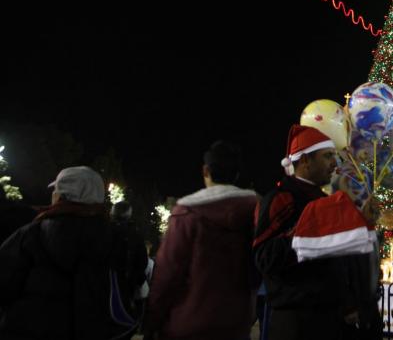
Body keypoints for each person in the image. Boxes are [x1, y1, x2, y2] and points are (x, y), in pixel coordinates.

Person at [254, 125, 378, 340]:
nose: (335, 163)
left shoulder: (323, 201)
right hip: (297, 323)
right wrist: (305, 235)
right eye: (327, 156)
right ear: (304, 161)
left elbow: (338, 260)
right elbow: (264, 257)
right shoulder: (282, 199)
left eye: (335, 156)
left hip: (331, 320)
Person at [0, 166, 144, 339]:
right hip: (95, 330)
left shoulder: (32, 233)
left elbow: (5, 282)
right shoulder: (117, 240)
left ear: (61, 196)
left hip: (30, 329)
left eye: (55, 190)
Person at [146, 141, 259, 340]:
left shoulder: (187, 213)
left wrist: (153, 322)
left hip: (187, 325)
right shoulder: (256, 211)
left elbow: (168, 274)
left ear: (206, 170)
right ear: (237, 174)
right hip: (236, 324)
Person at [109, 200, 149, 337]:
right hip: (127, 285)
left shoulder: (103, 231)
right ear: (129, 215)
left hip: (103, 284)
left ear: (112, 213)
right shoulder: (135, 235)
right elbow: (142, 261)